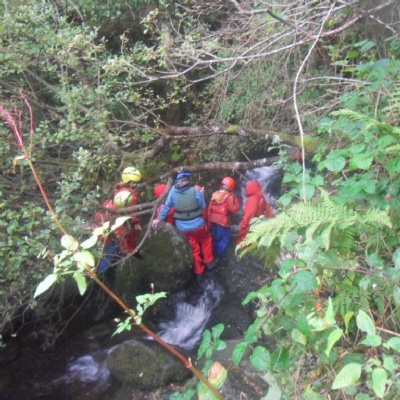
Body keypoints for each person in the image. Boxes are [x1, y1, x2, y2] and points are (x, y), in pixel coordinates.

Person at [152, 172, 215, 277]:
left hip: (183, 228)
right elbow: (203, 206)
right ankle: (209, 262)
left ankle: (199, 271)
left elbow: (167, 207)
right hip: (198, 226)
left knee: (193, 248)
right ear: (188, 180)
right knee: (206, 241)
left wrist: (158, 219)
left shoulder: (173, 191)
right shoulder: (196, 191)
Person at [207, 177, 240, 260]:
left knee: (216, 237)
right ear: (231, 187)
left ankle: (213, 253)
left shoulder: (215, 194)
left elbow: (209, 209)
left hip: (213, 219)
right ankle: (220, 256)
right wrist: (235, 199)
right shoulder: (229, 196)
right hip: (223, 221)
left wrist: (209, 222)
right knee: (224, 239)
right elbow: (234, 209)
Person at [112, 167, 142, 255]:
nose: (135, 184)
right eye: (133, 182)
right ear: (128, 181)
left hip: (120, 218)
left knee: (124, 238)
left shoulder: (119, 189)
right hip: (127, 219)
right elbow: (133, 210)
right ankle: (131, 253)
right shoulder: (129, 194)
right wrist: (136, 222)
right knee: (130, 237)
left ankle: (126, 251)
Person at [237, 180, 274, 245]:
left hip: (250, 224)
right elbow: (269, 212)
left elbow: (249, 214)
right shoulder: (262, 199)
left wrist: (243, 224)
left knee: (244, 241)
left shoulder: (252, 199)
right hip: (259, 223)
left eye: (247, 188)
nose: (246, 190)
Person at [92, 199, 120, 274]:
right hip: (105, 242)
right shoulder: (106, 219)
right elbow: (106, 234)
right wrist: (112, 230)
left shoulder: (98, 214)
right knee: (110, 253)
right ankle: (101, 273)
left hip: (97, 241)